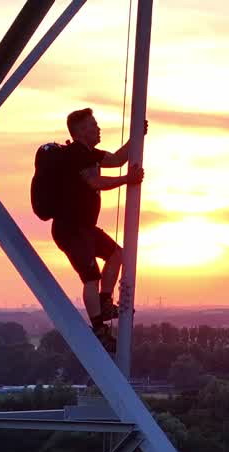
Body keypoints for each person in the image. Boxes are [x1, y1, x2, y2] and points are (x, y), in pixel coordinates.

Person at [52, 108, 145, 352]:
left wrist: (137, 137)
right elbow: (96, 182)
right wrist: (127, 179)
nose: (98, 128)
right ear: (81, 131)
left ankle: (105, 303)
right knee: (91, 276)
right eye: (93, 124)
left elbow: (115, 160)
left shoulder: (90, 154)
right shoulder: (74, 155)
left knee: (117, 254)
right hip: (70, 229)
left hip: (85, 227)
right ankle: (99, 330)